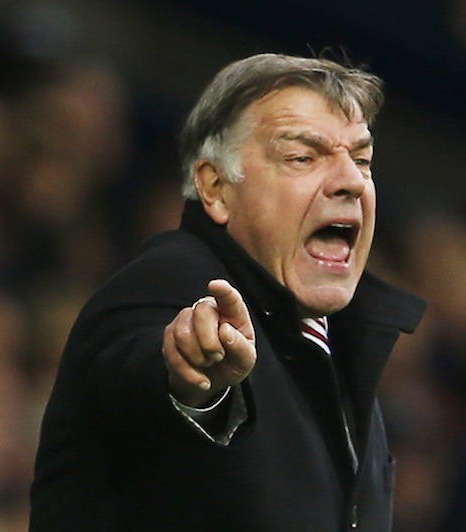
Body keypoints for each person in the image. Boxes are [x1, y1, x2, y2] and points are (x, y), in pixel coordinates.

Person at [29, 52, 426, 531]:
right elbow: (140, 378)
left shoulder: (335, 346)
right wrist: (193, 383)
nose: (350, 182)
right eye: (302, 157)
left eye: (361, 159)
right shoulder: (175, 284)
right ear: (215, 188)